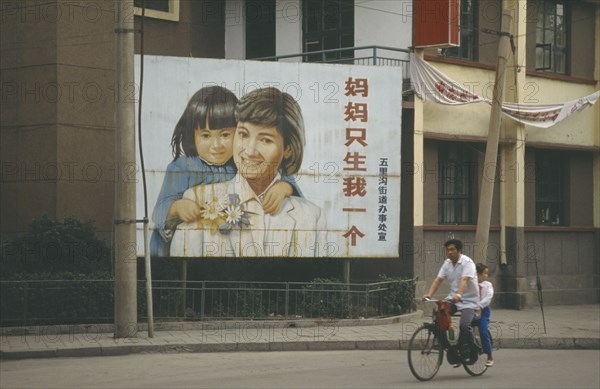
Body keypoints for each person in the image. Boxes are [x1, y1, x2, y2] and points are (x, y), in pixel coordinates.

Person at [170, 87, 326, 257]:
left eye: (265, 140)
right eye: (243, 135)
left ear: (288, 149)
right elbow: (182, 273)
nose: (250, 151)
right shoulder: (198, 200)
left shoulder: (312, 216)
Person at [423, 239, 480, 361]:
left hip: (469, 301)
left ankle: (469, 348)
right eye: (448, 250)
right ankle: (445, 344)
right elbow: (438, 280)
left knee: (464, 326)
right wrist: (429, 294)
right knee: (440, 313)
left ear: (459, 250)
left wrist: (459, 294)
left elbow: (465, 280)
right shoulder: (447, 263)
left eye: (452, 249)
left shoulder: (467, 262)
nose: (449, 252)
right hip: (453, 298)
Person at [477, 262, 494, 367]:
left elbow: (488, 298)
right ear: (478, 274)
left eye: (487, 273)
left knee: (483, 331)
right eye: (485, 273)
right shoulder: (471, 284)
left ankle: (489, 355)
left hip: (483, 311)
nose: (486, 276)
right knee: (464, 329)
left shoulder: (488, 285)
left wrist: (479, 306)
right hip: (472, 310)